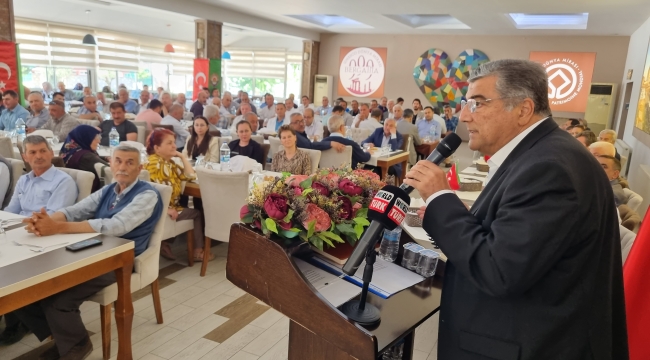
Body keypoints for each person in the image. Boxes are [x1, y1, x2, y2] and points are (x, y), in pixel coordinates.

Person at [404, 59, 627, 359]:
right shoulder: (543, 153)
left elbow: (499, 269)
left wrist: (440, 197)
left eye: (478, 103)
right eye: (466, 103)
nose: (465, 115)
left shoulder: (549, 167)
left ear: (523, 110)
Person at [17, 145, 163, 360]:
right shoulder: (109, 190)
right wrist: (44, 221)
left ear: (139, 168)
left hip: (120, 260)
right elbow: (75, 211)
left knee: (58, 300)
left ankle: (78, 345)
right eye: (118, 161)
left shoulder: (148, 194)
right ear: (111, 164)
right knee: (28, 289)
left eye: (129, 162)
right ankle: (64, 338)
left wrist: (57, 228)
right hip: (91, 251)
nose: (122, 167)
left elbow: (117, 226)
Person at [146, 129, 211, 261]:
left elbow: (191, 175)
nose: (174, 146)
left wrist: (182, 157)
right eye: (169, 143)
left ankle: (165, 243)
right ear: (157, 148)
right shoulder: (155, 165)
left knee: (186, 206)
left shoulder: (169, 163)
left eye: (174, 142)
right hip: (161, 211)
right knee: (197, 213)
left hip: (167, 208)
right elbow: (150, 193)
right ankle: (197, 251)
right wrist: (166, 209)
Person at [60, 125, 109, 192]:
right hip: (92, 193)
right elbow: (110, 169)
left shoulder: (71, 151)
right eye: (96, 138)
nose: (99, 141)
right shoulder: (86, 157)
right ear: (86, 138)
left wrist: (106, 158)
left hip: (71, 190)